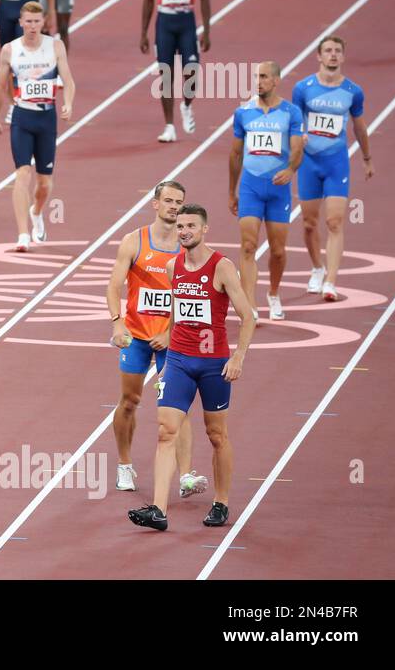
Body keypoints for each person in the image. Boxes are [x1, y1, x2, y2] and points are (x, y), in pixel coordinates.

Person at [128, 203, 256, 531]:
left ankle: (221, 501)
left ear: (204, 230)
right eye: (181, 226)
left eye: (191, 226)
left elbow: (248, 316)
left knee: (216, 435)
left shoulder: (222, 267)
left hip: (214, 364)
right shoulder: (174, 267)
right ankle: (158, 509)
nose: (184, 231)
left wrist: (238, 356)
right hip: (179, 361)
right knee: (165, 430)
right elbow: (176, 310)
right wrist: (166, 337)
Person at [105, 180, 207, 497]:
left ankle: (187, 475)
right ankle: (124, 464)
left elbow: (192, 295)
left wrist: (170, 331)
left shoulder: (187, 247)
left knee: (178, 408)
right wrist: (117, 323)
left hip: (171, 339)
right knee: (130, 401)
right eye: (168, 201)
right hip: (135, 336)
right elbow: (113, 287)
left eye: (179, 202)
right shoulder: (134, 241)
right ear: (155, 203)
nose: (174, 207)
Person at [0, 1, 73, 252]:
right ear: (21, 22)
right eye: (29, 21)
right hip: (22, 118)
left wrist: (68, 103)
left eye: (37, 22)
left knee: (45, 183)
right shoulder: (9, 50)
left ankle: (36, 211)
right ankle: (23, 234)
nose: (33, 26)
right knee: (22, 174)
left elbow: (68, 80)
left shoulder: (55, 46)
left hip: (47, 120)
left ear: (44, 23)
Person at [293, 36, 370, 303]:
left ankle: (331, 282)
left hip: (337, 162)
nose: (333, 55)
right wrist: (297, 140)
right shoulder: (303, 88)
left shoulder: (353, 91)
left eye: (338, 50)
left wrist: (367, 157)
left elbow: (359, 126)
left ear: (343, 56)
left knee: (334, 222)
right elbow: (294, 121)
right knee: (309, 223)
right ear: (319, 56)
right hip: (308, 162)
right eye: (328, 51)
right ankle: (317, 267)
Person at [229, 61, 304, 321]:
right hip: (250, 186)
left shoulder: (291, 113)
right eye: (255, 76)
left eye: (263, 77)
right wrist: (232, 191)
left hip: (278, 188)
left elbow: (297, 149)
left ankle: (273, 292)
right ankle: (249, 304)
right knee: (248, 246)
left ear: (275, 80)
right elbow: (236, 153)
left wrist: (291, 170)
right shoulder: (243, 112)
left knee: (278, 250)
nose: (258, 81)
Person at [140, 0, 210, 143]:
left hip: (186, 23)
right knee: (166, 76)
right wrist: (143, 32)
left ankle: (186, 105)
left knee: (192, 70)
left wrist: (207, 30)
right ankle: (169, 125)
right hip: (165, 24)